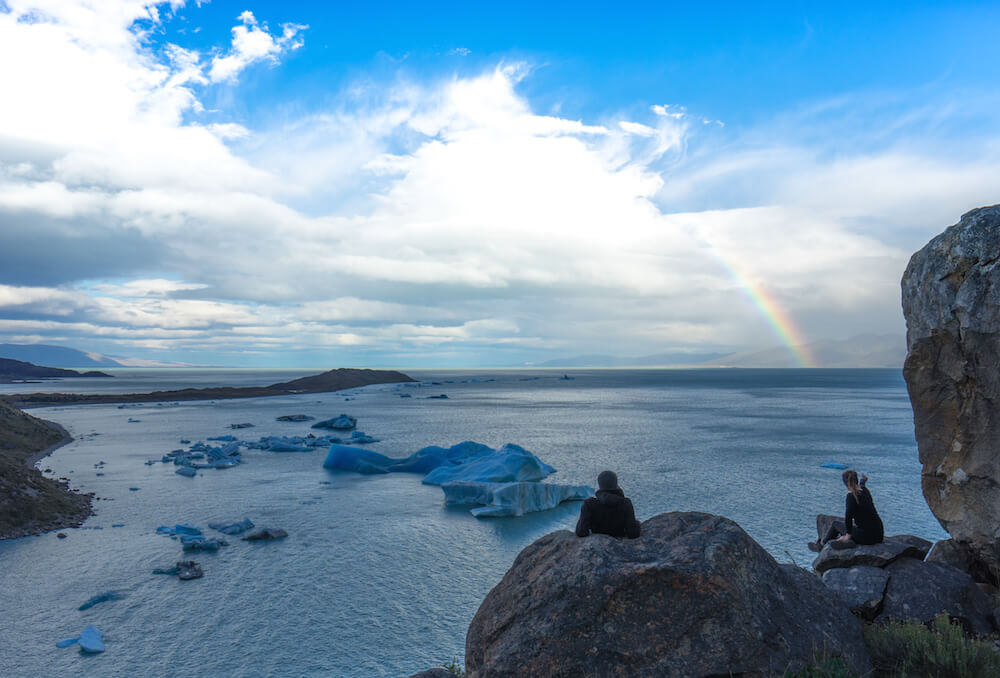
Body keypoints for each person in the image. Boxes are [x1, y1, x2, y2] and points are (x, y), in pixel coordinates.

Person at [810, 470, 884, 551]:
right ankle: (849, 542)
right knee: (856, 527)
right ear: (857, 480)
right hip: (879, 535)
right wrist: (863, 481)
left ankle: (821, 545)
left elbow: (848, 516)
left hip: (866, 538)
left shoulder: (851, 497)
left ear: (845, 483)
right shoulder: (865, 491)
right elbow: (862, 485)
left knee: (835, 524)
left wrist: (848, 534)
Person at [575, 470, 641, 539]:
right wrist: (636, 523)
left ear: (600, 484)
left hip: (598, 542)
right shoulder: (625, 503)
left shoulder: (589, 504)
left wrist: (581, 521)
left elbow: (581, 532)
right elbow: (633, 533)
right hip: (618, 540)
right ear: (615, 483)